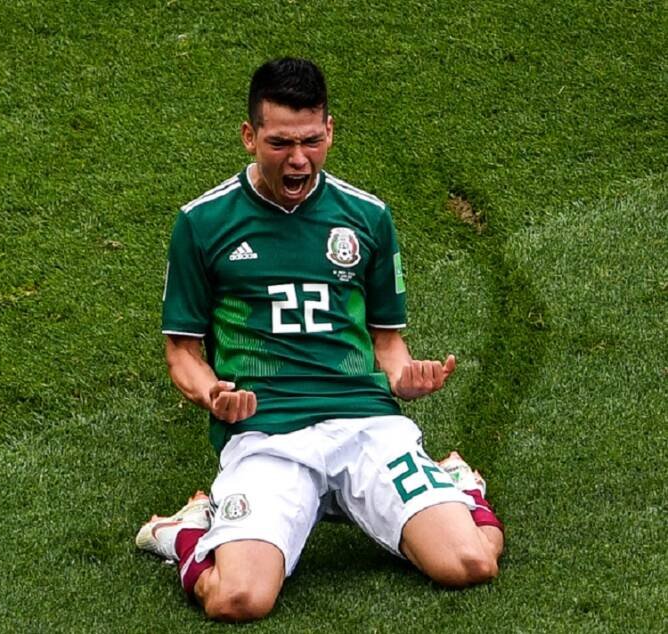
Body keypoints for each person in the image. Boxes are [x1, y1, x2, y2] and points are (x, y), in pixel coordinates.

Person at [136, 58, 504, 622]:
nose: (299, 159)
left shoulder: (367, 217)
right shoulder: (203, 223)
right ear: (249, 136)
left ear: (330, 130)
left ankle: (460, 486)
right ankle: (189, 529)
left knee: (471, 563)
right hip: (267, 433)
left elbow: (388, 344)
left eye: (312, 140)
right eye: (280, 143)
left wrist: (405, 377)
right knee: (238, 600)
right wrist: (212, 393)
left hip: (365, 425)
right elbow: (182, 352)